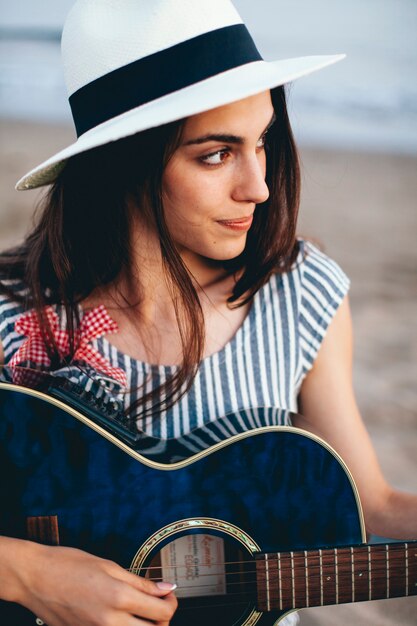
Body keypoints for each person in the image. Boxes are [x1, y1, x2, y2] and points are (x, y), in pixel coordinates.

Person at [0, 1, 416, 625]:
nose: (260, 187)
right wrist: (29, 575)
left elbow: (371, 505)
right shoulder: (15, 319)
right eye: (217, 154)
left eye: (263, 142)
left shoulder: (301, 295)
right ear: (124, 164)